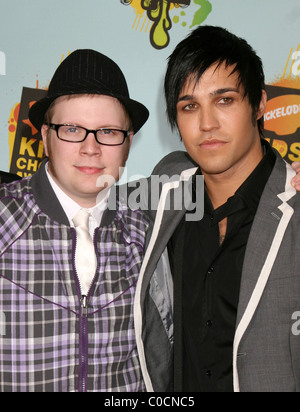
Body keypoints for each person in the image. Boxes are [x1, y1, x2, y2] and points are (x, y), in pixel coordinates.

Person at [135, 26, 300, 392]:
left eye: (224, 100)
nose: (206, 124)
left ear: (259, 103)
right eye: (189, 106)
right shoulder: (165, 193)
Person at [0, 48, 167, 392]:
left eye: (107, 132)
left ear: (128, 143)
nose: (91, 148)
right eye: (72, 129)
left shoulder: (146, 234)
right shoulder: (4, 221)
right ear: (45, 136)